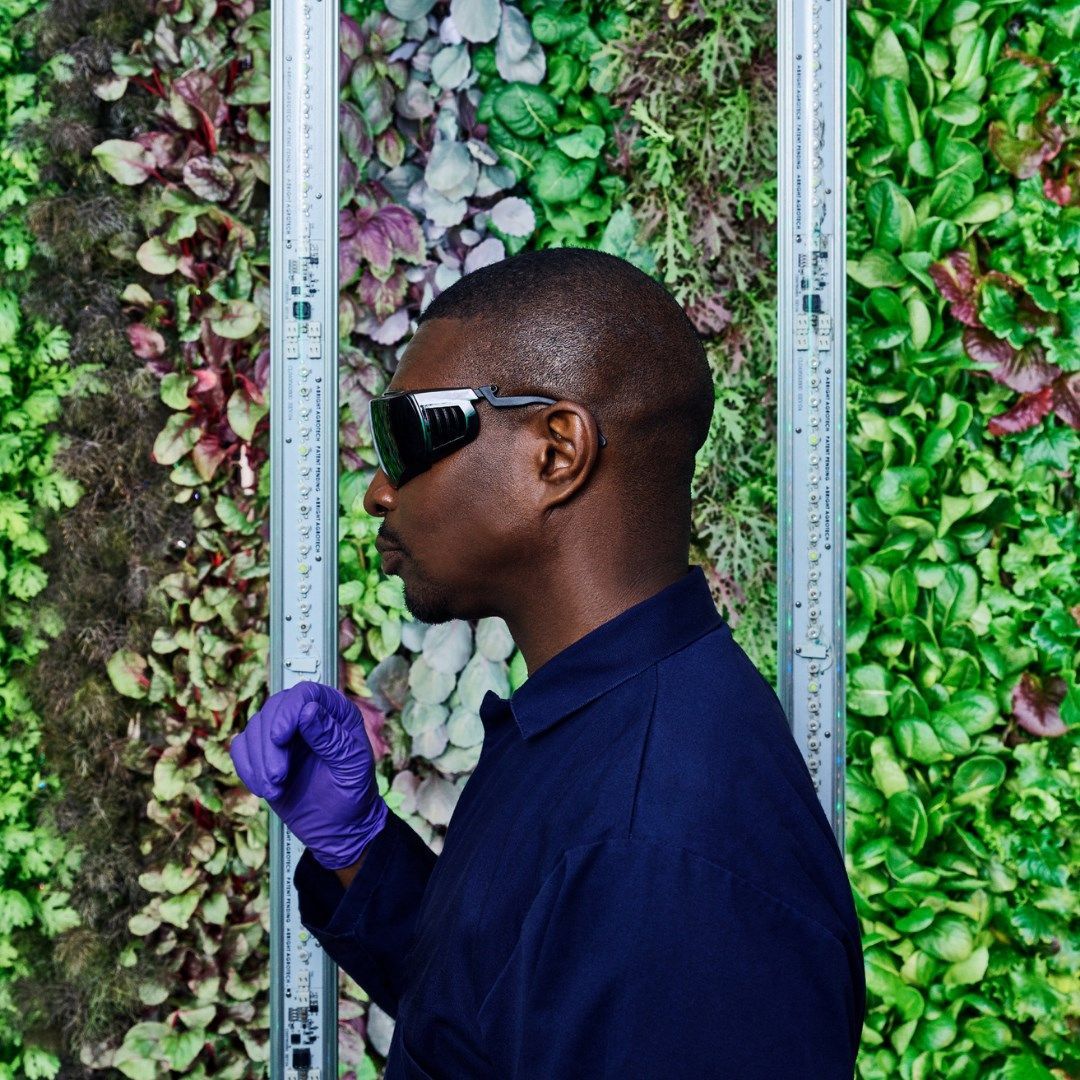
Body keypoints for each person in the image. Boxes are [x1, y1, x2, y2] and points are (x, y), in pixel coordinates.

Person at [230, 248, 866, 1078]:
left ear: (555, 453)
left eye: (410, 434)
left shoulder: (667, 853)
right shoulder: (594, 723)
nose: (378, 492)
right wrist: (360, 848)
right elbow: (497, 1016)